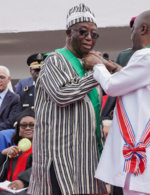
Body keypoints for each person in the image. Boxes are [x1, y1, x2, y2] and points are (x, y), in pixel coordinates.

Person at [83, 9, 150, 195]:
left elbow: (111, 87)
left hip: (141, 150)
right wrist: (108, 65)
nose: (131, 36)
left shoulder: (147, 56)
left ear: (143, 29)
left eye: (133, 30)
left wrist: (97, 65)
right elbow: (133, 78)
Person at [28, 3, 107, 195]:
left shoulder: (88, 64)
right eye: (83, 32)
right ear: (68, 33)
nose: (89, 37)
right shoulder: (55, 59)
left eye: (93, 34)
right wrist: (97, 71)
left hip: (86, 156)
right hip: (60, 157)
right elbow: (62, 95)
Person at [0, 108, 35, 195]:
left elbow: (41, 169)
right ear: (18, 130)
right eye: (23, 125)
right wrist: (3, 154)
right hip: (9, 188)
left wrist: (23, 181)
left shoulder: (44, 149)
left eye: (32, 125)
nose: (27, 128)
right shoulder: (13, 150)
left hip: (30, 188)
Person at [0, 66, 18, 131]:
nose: (0, 80)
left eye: (2, 77)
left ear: (8, 79)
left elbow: (11, 122)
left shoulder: (15, 99)